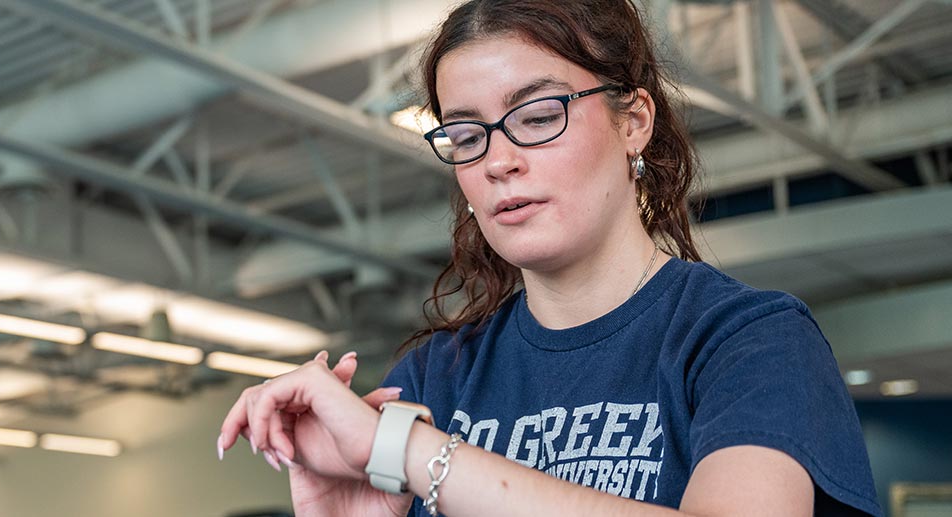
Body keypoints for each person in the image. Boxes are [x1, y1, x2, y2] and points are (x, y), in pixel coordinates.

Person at [215, 0, 880, 515]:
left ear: (633, 121)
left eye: (537, 115)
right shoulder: (432, 379)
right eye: (468, 134)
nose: (499, 160)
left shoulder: (748, 340)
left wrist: (415, 453)